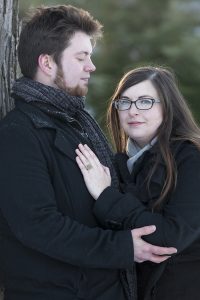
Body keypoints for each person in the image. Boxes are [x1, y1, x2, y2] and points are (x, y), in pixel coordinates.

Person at [0, 6, 176, 300]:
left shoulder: (76, 123)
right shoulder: (19, 133)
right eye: (81, 57)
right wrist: (122, 247)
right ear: (47, 62)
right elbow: (37, 226)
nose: (91, 66)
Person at [76, 66, 200, 300]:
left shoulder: (191, 157)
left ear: (168, 106)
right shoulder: (121, 165)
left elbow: (169, 238)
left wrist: (106, 195)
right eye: (124, 102)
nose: (132, 111)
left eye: (145, 102)